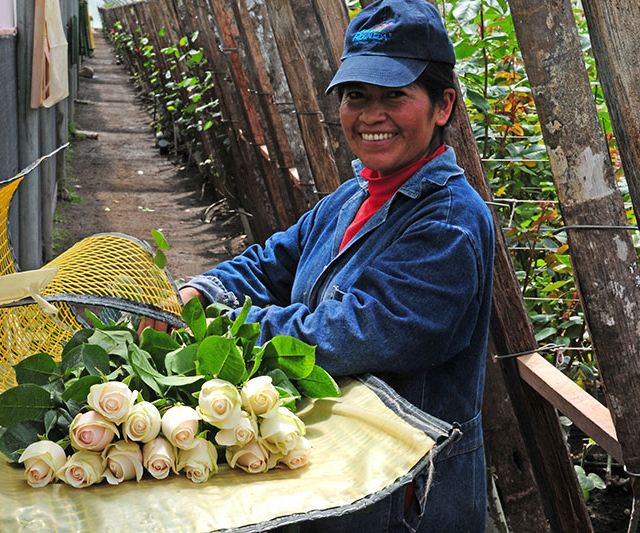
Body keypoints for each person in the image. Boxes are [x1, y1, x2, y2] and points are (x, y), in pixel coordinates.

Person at [141, 0, 494, 530]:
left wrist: (215, 331)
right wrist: (200, 294)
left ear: (443, 106)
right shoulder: (354, 196)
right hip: (342, 479)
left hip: (407, 499)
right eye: (356, 96)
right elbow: (271, 262)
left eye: (394, 96)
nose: (371, 114)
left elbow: (355, 331)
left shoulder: (448, 224)